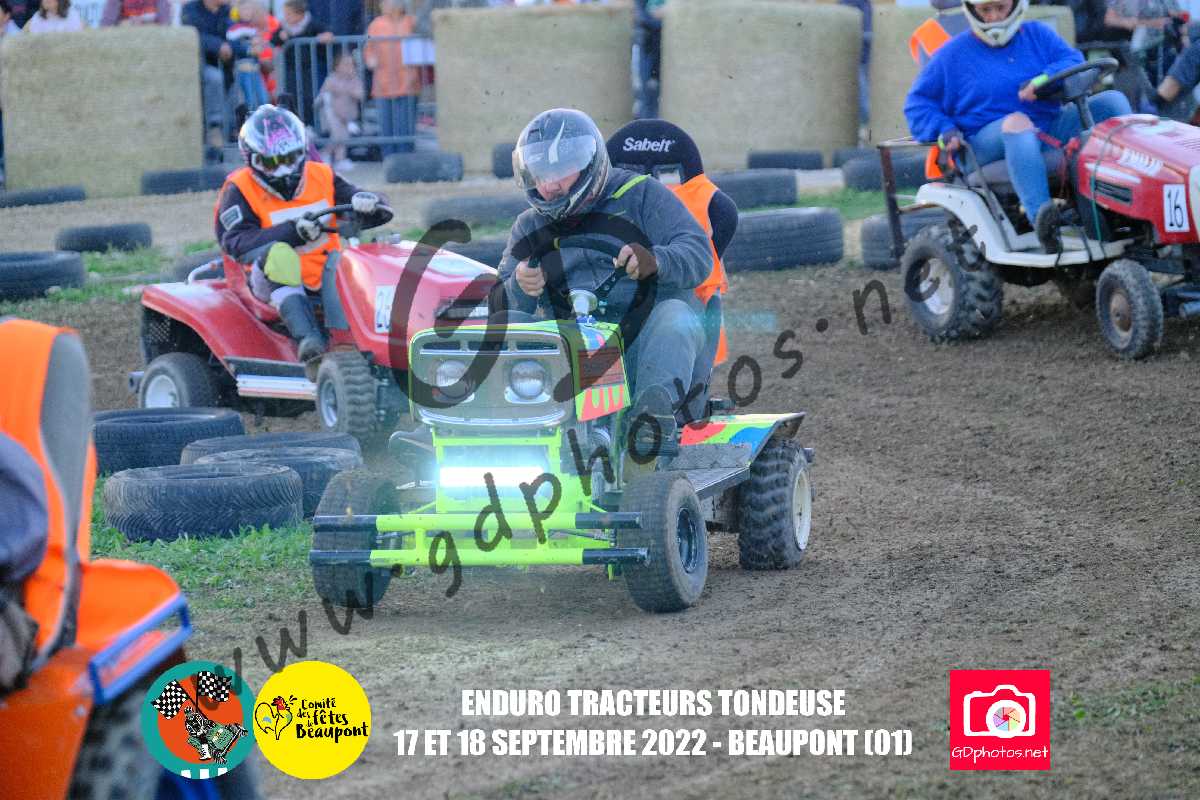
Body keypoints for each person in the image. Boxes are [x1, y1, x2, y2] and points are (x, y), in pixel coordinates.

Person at [495, 108, 712, 447]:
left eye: (560, 171)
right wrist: (519, 286)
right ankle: (498, 429)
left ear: (589, 163)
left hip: (643, 345)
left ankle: (651, 429)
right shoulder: (529, 225)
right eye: (540, 174)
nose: (549, 185)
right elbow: (500, 303)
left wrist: (656, 260)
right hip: (568, 352)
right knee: (505, 326)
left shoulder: (642, 194)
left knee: (675, 317)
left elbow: (698, 253)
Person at [904, 0, 1133, 251]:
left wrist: (1043, 80)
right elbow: (918, 103)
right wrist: (943, 128)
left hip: (1046, 127)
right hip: (981, 144)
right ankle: (1044, 222)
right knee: (1017, 122)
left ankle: (1130, 200)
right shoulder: (952, 54)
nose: (993, 17)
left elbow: (1071, 59)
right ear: (972, 11)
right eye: (985, 10)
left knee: (1113, 101)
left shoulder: (1038, 34)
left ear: (1016, 6)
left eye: (1000, 8)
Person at [214, 105, 389, 361]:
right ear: (252, 160)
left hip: (327, 271)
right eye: (272, 163)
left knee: (368, 255)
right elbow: (236, 242)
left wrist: (370, 202)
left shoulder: (321, 175)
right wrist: (292, 232)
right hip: (266, 281)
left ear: (302, 151)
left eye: (290, 158)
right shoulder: (239, 189)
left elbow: (362, 201)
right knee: (280, 254)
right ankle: (309, 341)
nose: (284, 170)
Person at [183, 0, 248, 150]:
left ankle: (235, 129)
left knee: (236, 84)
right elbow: (193, 35)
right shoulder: (190, 10)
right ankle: (215, 127)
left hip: (224, 65)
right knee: (214, 78)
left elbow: (236, 35)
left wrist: (235, 47)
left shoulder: (227, 11)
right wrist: (218, 46)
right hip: (199, 64)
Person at [364, 0, 421, 155]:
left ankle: (405, 157)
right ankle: (388, 157)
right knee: (386, 124)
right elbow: (368, 48)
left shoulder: (411, 21)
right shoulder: (376, 24)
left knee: (406, 124)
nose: (385, 5)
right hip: (383, 82)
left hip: (408, 80)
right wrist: (370, 59)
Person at [271, 0, 333, 127]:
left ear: (299, 14)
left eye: (289, 14)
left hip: (309, 68)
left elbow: (326, 33)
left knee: (308, 97)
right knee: (291, 96)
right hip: (290, 68)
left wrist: (326, 36)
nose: (286, 17)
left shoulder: (311, 24)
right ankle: (294, 125)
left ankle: (310, 125)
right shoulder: (284, 27)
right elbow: (273, 39)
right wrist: (280, 37)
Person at [317, 52, 364, 169]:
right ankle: (324, 154)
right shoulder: (332, 79)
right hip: (332, 113)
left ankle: (340, 159)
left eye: (351, 65)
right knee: (338, 135)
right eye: (345, 65)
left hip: (347, 114)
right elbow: (323, 93)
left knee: (344, 137)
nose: (348, 68)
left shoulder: (355, 80)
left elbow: (360, 95)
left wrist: (348, 90)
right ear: (337, 67)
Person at [227, 0, 272, 111]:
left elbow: (259, 46)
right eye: (244, 9)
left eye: (250, 9)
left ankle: (262, 119)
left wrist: (260, 46)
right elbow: (234, 46)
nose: (247, 12)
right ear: (238, 11)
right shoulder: (235, 28)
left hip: (255, 68)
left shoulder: (253, 28)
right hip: (243, 69)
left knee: (263, 98)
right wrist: (250, 50)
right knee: (249, 99)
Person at [99, 0, 170, 26]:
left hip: (153, 38)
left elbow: (165, 22)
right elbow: (106, 25)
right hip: (125, 38)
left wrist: (144, 20)